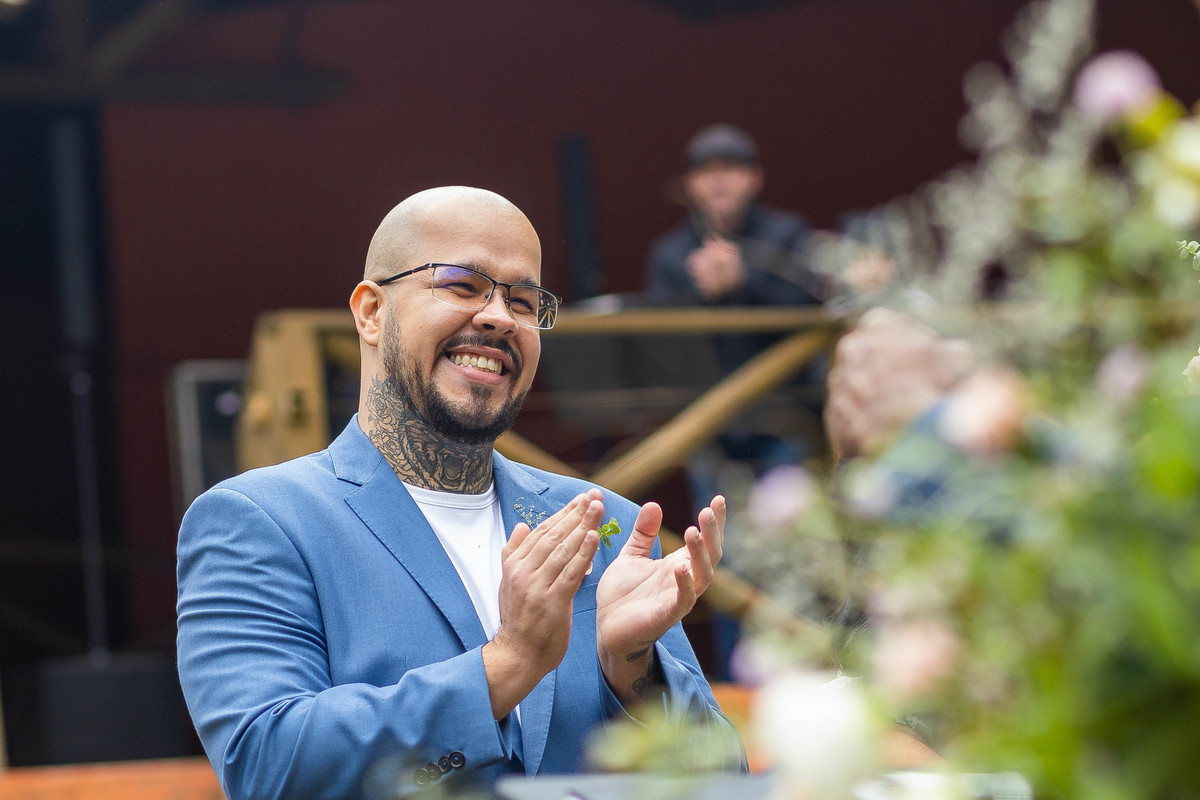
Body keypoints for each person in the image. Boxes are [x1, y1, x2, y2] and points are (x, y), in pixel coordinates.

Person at [176, 187, 742, 800]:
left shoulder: (606, 526)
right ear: (370, 313)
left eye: (523, 300)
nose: (499, 316)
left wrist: (633, 667)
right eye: (462, 286)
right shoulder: (259, 522)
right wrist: (508, 664)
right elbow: (270, 769)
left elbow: (721, 783)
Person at [644, 124, 828, 679]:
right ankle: (736, 686)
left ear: (753, 179)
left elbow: (815, 306)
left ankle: (813, 679)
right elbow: (659, 341)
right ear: (692, 186)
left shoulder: (786, 236)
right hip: (713, 432)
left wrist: (745, 281)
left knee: (801, 560)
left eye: (731, 168)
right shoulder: (672, 254)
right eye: (707, 171)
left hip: (786, 425)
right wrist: (701, 295)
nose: (719, 180)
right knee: (719, 569)